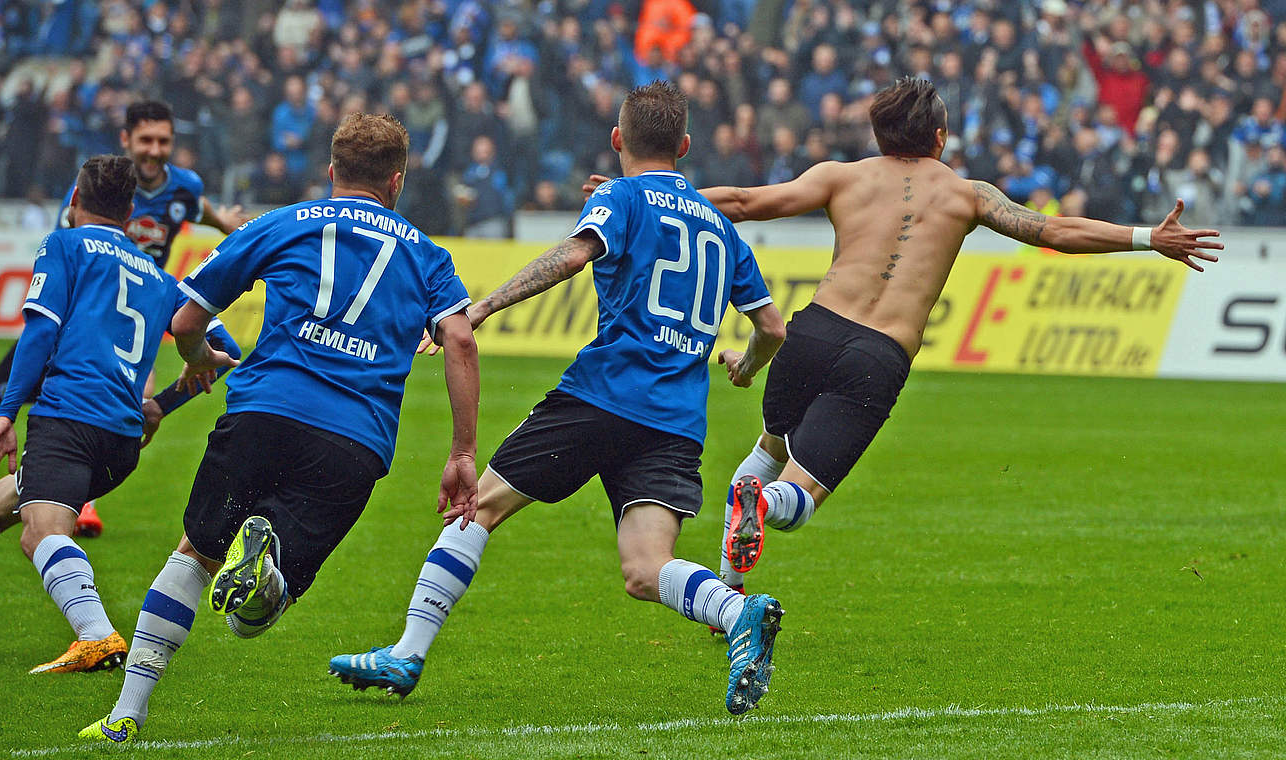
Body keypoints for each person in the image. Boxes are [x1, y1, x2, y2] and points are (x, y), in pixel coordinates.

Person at [596, 77, 1222, 600]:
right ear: (941, 138)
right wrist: (1148, 238)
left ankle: (729, 595)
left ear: (877, 133)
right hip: (877, 354)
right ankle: (762, 509)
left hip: (811, 333)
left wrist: (638, 198)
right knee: (797, 499)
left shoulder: (842, 177)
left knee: (769, 444)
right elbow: (1054, 231)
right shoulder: (966, 194)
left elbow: (742, 199)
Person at [328, 82, 789, 716]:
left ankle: (407, 652)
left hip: (603, 397)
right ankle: (737, 612)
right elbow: (771, 329)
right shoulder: (719, 226)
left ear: (618, 139)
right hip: (677, 419)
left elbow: (574, 256)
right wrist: (744, 368)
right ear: (683, 145)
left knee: (477, 507)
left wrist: (485, 303)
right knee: (646, 567)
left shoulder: (619, 197)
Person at [80, 112, 479, 744]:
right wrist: (462, 450)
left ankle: (125, 715)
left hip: (264, 412)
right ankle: (267, 572)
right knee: (260, 615)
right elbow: (459, 338)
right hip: (355, 441)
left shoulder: (281, 223)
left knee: (194, 556)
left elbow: (186, 321)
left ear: (330, 172)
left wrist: (198, 363)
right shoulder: (426, 253)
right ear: (397, 181)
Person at [0, 155, 233, 675]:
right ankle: (93, 633)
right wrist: (160, 405)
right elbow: (219, 347)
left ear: (73, 202)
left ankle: (96, 635)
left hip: (69, 422)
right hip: (121, 441)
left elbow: (40, 331)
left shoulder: (64, 245)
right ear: (131, 210)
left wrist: (4, 414)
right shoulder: (160, 279)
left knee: (39, 532)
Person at [0, 100, 249, 537]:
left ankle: (80, 502)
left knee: (129, 398)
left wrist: (226, 224)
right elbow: (67, 254)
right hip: (75, 329)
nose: (155, 150)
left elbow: (203, 210)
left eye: (164, 141)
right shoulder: (95, 192)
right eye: (146, 140)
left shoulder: (184, 188)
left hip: (136, 318)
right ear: (126, 141)